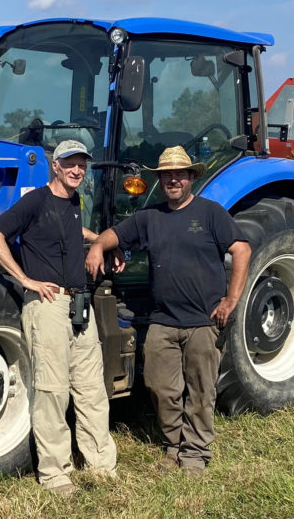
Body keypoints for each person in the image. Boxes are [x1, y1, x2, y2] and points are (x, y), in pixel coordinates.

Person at [86, 145, 250, 478]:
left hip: (203, 319)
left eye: (179, 174)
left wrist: (231, 299)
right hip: (163, 320)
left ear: (191, 177)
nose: (173, 180)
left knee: (201, 390)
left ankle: (195, 453)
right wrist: (99, 248)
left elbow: (242, 248)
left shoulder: (210, 213)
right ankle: (174, 446)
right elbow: (114, 234)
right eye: (166, 175)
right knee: (161, 389)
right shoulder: (150, 217)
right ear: (160, 180)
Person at [0, 139, 117, 496]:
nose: (77, 170)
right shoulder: (35, 201)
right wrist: (24, 280)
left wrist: (102, 242)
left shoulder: (73, 202)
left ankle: (102, 464)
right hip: (49, 305)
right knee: (52, 392)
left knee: (91, 390)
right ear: (54, 166)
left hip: (79, 306)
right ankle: (56, 474)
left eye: (82, 164)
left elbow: (75, 234)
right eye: (70, 163)